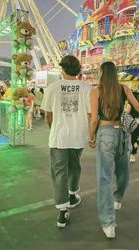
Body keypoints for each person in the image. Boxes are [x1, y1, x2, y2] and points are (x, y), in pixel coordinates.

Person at [89, 61, 139, 239]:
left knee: (104, 178)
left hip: (105, 133)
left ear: (101, 72)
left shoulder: (96, 91)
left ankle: (109, 223)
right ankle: (118, 198)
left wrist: (91, 137)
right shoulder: (123, 88)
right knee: (123, 172)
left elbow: (94, 119)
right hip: (123, 134)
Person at [41, 55, 91, 228]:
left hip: (58, 136)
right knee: (75, 165)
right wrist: (91, 134)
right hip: (78, 135)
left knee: (59, 171)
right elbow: (91, 114)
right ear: (78, 70)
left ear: (62, 69)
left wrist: (53, 127)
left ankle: (63, 211)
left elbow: (48, 114)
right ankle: (72, 193)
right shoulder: (87, 88)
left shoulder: (52, 88)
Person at [126, 91, 139, 163]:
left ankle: (128, 153)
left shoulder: (131, 102)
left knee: (129, 138)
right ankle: (133, 154)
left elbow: (127, 112)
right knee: (136, 138)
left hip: (132, 121)